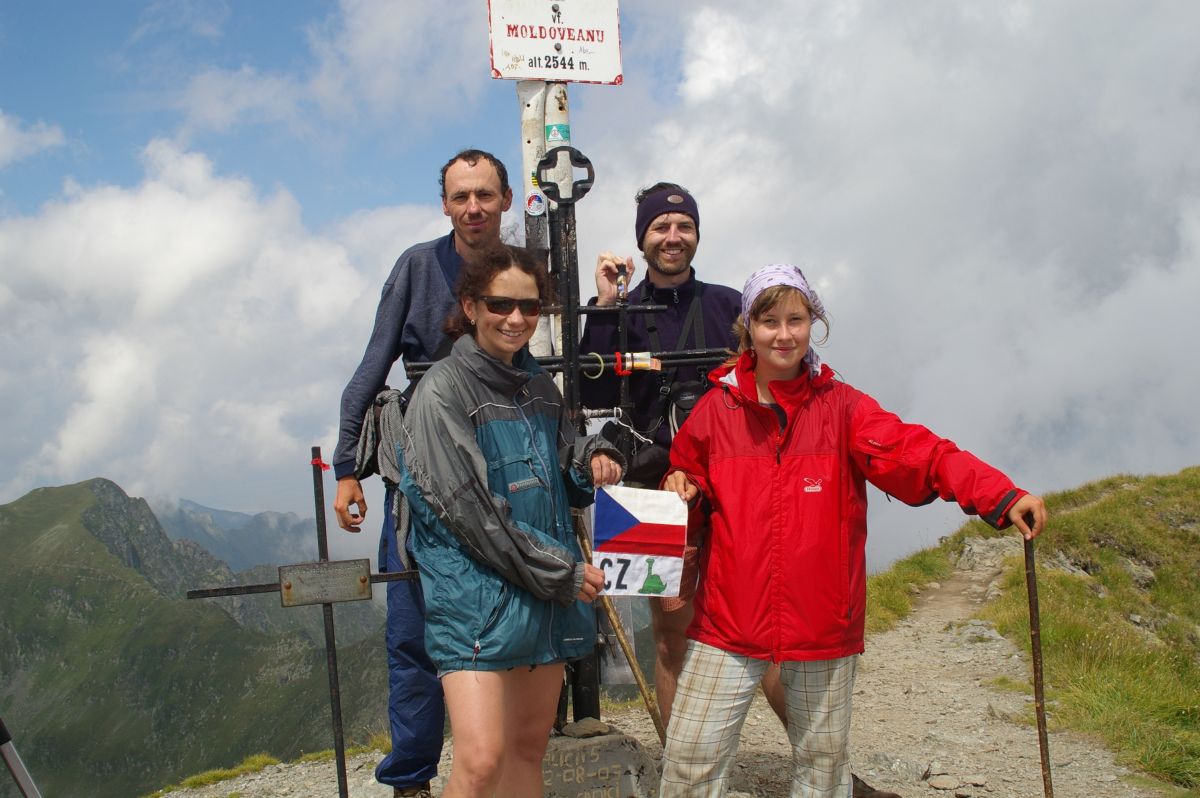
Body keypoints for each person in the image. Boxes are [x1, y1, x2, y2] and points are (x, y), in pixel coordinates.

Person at [659, 263, 1047, 797]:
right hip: (729, 618)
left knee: (821, 773)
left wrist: (999, 495)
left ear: (813, 323)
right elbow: (689, 478)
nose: (785, 334)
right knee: (689, 761)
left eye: (796, 319)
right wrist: (683, 483)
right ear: (748, 328)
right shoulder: (714, 411)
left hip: (821, 621)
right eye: (769, 321)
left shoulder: (843, 409)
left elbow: (922, 454)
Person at [395, 244, 624, 798]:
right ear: (470, 307)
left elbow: (561, 462)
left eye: (531, 307)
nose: (517, 319)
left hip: (539, 598)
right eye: (500, 304)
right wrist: (564, 575)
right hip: (477, 604)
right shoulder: (441, 393)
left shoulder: (540, 388)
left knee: (527, 749)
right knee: (480, 761)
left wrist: (588, 460)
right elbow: (470, 516)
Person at [332, 149, 512, 797]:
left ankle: (499, 764)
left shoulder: (526, 273)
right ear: (444, 204)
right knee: (412, 627)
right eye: (461, 196)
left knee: (507, 622)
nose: (472, 207)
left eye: (484, 195)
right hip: (421, 476)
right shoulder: (416, 267)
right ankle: (411, 778)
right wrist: (347, 468)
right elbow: (372, 365)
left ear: (506, 201)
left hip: (507, 470)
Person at [578, 183, 762, 728]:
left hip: (732, 481)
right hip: (648, 490)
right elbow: (590, 396)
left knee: (764, 625)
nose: (672, 237)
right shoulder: (622, 310)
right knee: (670, 637)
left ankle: (815, 764)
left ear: (698, 235)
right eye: (660, 227)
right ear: (643, 239)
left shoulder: (733, 306)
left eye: (683, 227)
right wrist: (606, 305)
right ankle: (680, 768)